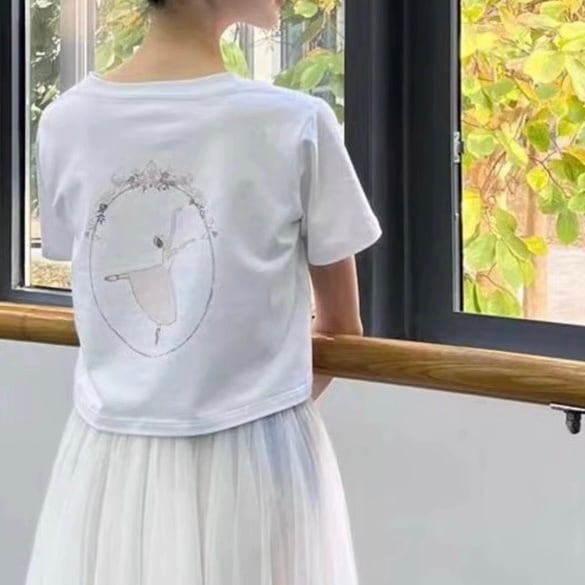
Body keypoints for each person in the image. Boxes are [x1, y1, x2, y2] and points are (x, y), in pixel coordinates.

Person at [25, 0, 382, 583]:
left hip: (111, 458)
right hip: (260, 456)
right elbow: (343, 329)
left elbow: (92, 286)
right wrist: (251, 397)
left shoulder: (66, 123)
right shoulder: (296, 124)